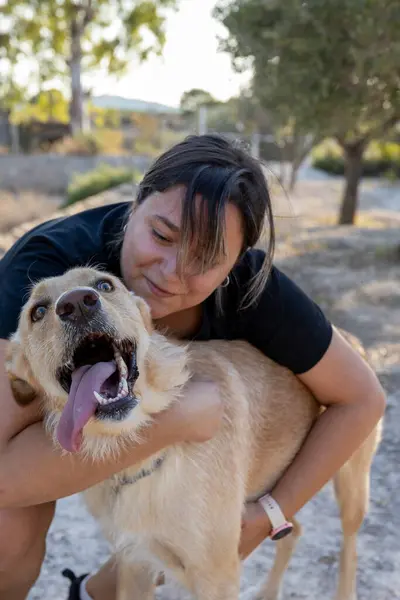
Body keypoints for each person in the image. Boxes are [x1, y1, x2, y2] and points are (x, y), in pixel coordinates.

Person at [0, 134, 385, 600]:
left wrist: (271, 513)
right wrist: (177, 418)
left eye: (205, 259)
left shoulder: (253, 289)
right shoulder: (44, 265)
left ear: (233, 267)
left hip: (196, 450)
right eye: (161, 235)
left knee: (172, 508)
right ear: (135, 204)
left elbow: (363, 398)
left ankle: (98, 592)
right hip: (99, 423)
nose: (170, 271)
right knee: (8, 531)